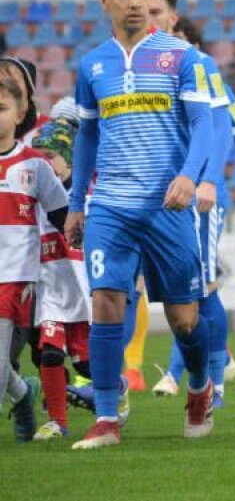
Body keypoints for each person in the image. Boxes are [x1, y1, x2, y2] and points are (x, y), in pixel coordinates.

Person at [68, 0, 217, 449]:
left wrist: (188, 178)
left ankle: (198, 384)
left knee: (184, 320)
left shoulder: (181, 58)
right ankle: (108, 417)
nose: (136, 3)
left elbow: (203, 127)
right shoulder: (92, 65)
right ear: (104, 0)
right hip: (110, 206)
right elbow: (87, 138)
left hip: (168, 207)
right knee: (107, 303)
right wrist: (76, 203)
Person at [146, 0, 235, 406]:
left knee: (200, 288)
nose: (146, 16)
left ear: (174, 18)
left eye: (155, 10)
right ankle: (117, 387)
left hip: (199, 197)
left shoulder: (200, 66)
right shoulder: (129, 68)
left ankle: (211, 380)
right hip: (151, 196)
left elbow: (227, 132)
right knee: (138, 291)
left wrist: (214, 181)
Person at [0, 77, 70, 441]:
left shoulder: (34, 165)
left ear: (20, 113)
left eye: (1, 109)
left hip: (14, 276)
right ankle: (25, 393)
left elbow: (63, 218)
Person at [28, 98, 90, 440]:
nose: (43, 165)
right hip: (49, 291)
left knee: (85, 366)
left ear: (68, 161)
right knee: (50, 354)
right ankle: (57, 421)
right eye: (38, 158)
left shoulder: (85, 200)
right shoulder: (29, 200)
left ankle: (116, 393)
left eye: (49, 157)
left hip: (82, 295)